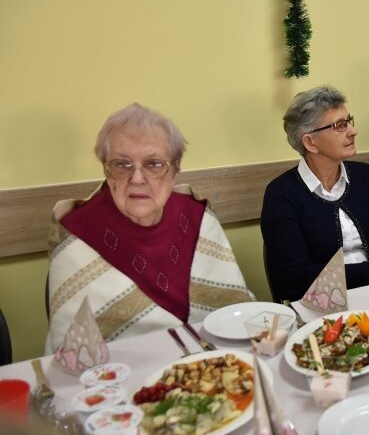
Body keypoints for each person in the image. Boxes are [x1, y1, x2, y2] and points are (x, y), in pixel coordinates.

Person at [45, 103, 253, 353]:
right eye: (122, 164)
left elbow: (233, 314)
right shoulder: (75, 232)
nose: (137, 179)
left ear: (175, 170)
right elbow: (76, 352)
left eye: (153, 164)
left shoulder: (197, 217)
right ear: (106, 170)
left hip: (213, 367)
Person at [261, 86, 369, 302]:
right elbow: (294, 274)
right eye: (339, 126)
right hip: (318, 306)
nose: (352, 131)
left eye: (349, 121)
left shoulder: (367, 177)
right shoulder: (282, 195)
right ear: (310, 142)